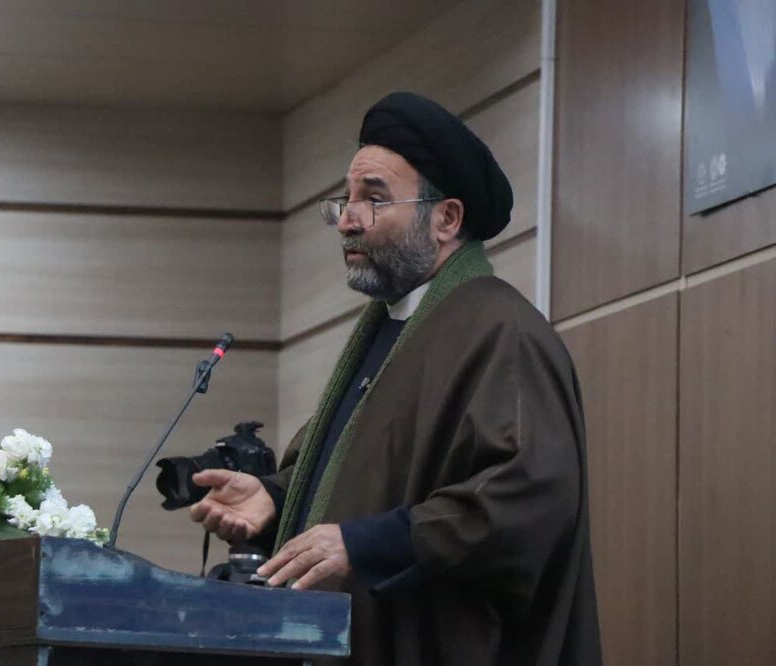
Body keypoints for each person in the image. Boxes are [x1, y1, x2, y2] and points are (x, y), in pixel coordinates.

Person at [190, 92, 602, 665]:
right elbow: (369, 475)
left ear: (446, 219)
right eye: (347, 199)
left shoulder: (501, 332)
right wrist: (275, 500)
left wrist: (367, 545)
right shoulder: (387, 331)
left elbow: (523, 501)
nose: (348, 219)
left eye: (374, 198)